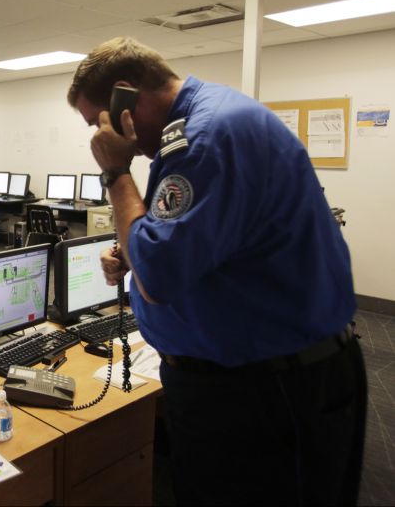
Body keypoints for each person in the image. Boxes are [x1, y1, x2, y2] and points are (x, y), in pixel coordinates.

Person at [67, 37, 366, 506]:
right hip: (262, 379)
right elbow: (214, 241)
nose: (97, 139)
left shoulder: (203, 139)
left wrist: (115, 173)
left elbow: (161, 276)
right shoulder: (208, 119)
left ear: (125, 97)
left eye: (96, 123)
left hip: (263, 394)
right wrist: (135, 250)